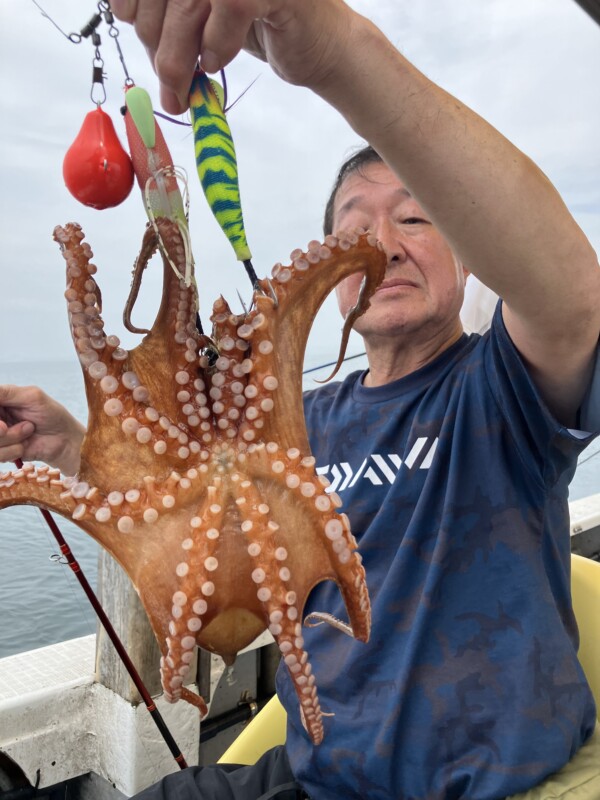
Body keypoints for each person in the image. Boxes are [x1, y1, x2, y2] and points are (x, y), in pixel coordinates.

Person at [2, 2, 600, 798]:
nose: (382, 244)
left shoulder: (502, 392)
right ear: (330, 272)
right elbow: (194, 522)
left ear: (469, 254)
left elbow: (570, 298)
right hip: (311, 777)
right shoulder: (302, 424)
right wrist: (70, 448)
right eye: (354, 229)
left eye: (419, 216)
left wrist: (332, 49)